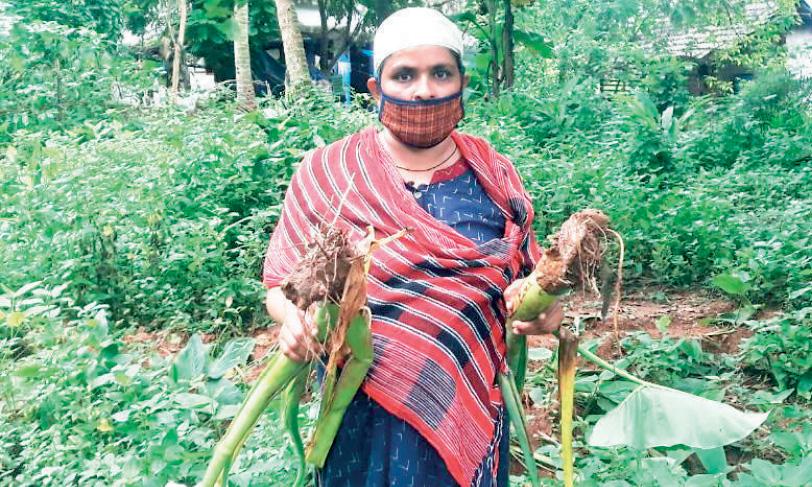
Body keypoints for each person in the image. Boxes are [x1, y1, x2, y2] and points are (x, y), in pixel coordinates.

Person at [262, 7, 563, 487]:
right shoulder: (329, 174)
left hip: (463, 401)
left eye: (440, 73)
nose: (424, 89)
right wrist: (293, 321)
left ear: (462, 82)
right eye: (405, 75)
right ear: (377, 90)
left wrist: (546, 312)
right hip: (355, 405)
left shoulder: (495, 176)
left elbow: (530, 281)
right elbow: (281, 285)